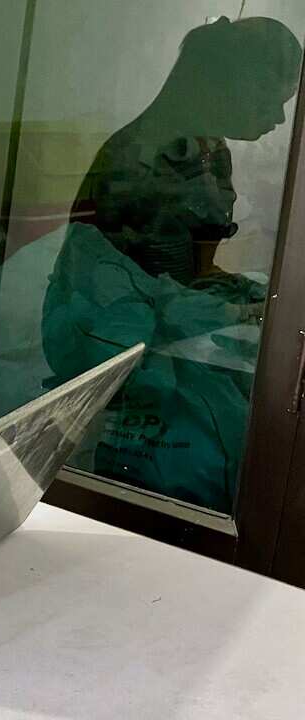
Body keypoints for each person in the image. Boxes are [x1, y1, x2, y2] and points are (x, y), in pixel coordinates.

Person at [42, 17, 302, 511]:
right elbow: (127, 299)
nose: (280, 119)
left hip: (157, 316)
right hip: (113, 335)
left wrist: (243, 297)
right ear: (232, 82)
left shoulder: (208, 149)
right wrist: (230, 314)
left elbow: (194, 271)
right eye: (274, 100)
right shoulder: (140, 161)